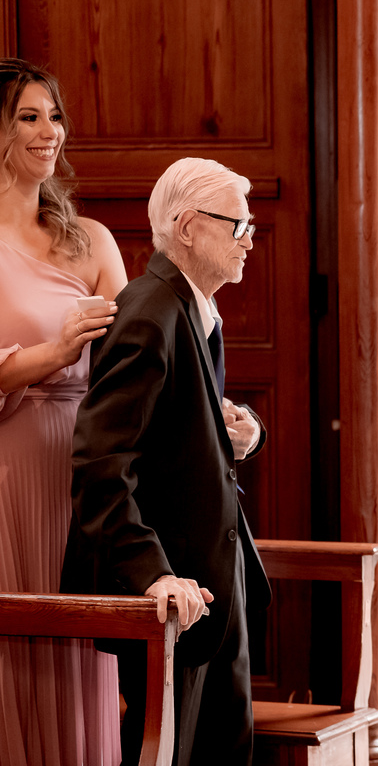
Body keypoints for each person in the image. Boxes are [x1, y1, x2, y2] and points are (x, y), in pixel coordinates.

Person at [61, 157, 271, 765]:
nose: (249, 237)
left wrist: (244, 436)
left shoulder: (193, 308)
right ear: (187, 228)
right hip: (172, 596)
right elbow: (101, 463)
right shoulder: (149, 315)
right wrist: (153, 576)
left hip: (211, 577)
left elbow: (180, 441)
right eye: (237, 224)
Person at [0, 58, 126, 766]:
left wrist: (218, 408)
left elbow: (141, 355)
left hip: (83, 472)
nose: (51, 132)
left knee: (83, 643)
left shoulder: (93, 241)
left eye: (54, 116)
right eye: (29, 116)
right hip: (10, 466)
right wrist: (52, 352)